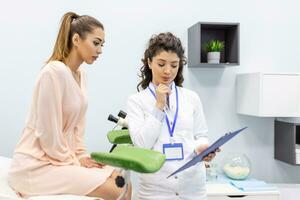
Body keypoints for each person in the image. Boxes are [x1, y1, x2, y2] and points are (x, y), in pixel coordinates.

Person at [8, 12, 131, 200]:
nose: (100, 50)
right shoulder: (53, 72)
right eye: (96, 43)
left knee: (122, 180)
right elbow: (48, 134)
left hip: (60, 160)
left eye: (102, 45)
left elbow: (77, 130)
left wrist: (82, 156)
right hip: (35, 165)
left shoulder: (82, 77)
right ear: (76, 39)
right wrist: (74, 162)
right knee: (117, 189)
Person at [126, 32, 218, 200]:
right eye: (161, 64)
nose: (168, 71)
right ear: (149, 62)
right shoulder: (137, 101)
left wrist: (203, 149)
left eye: (174, 65)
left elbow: (201, 135)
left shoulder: (191, 98)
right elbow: (141, 145)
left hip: (192, 189)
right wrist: (159, 107)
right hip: (155, 191)